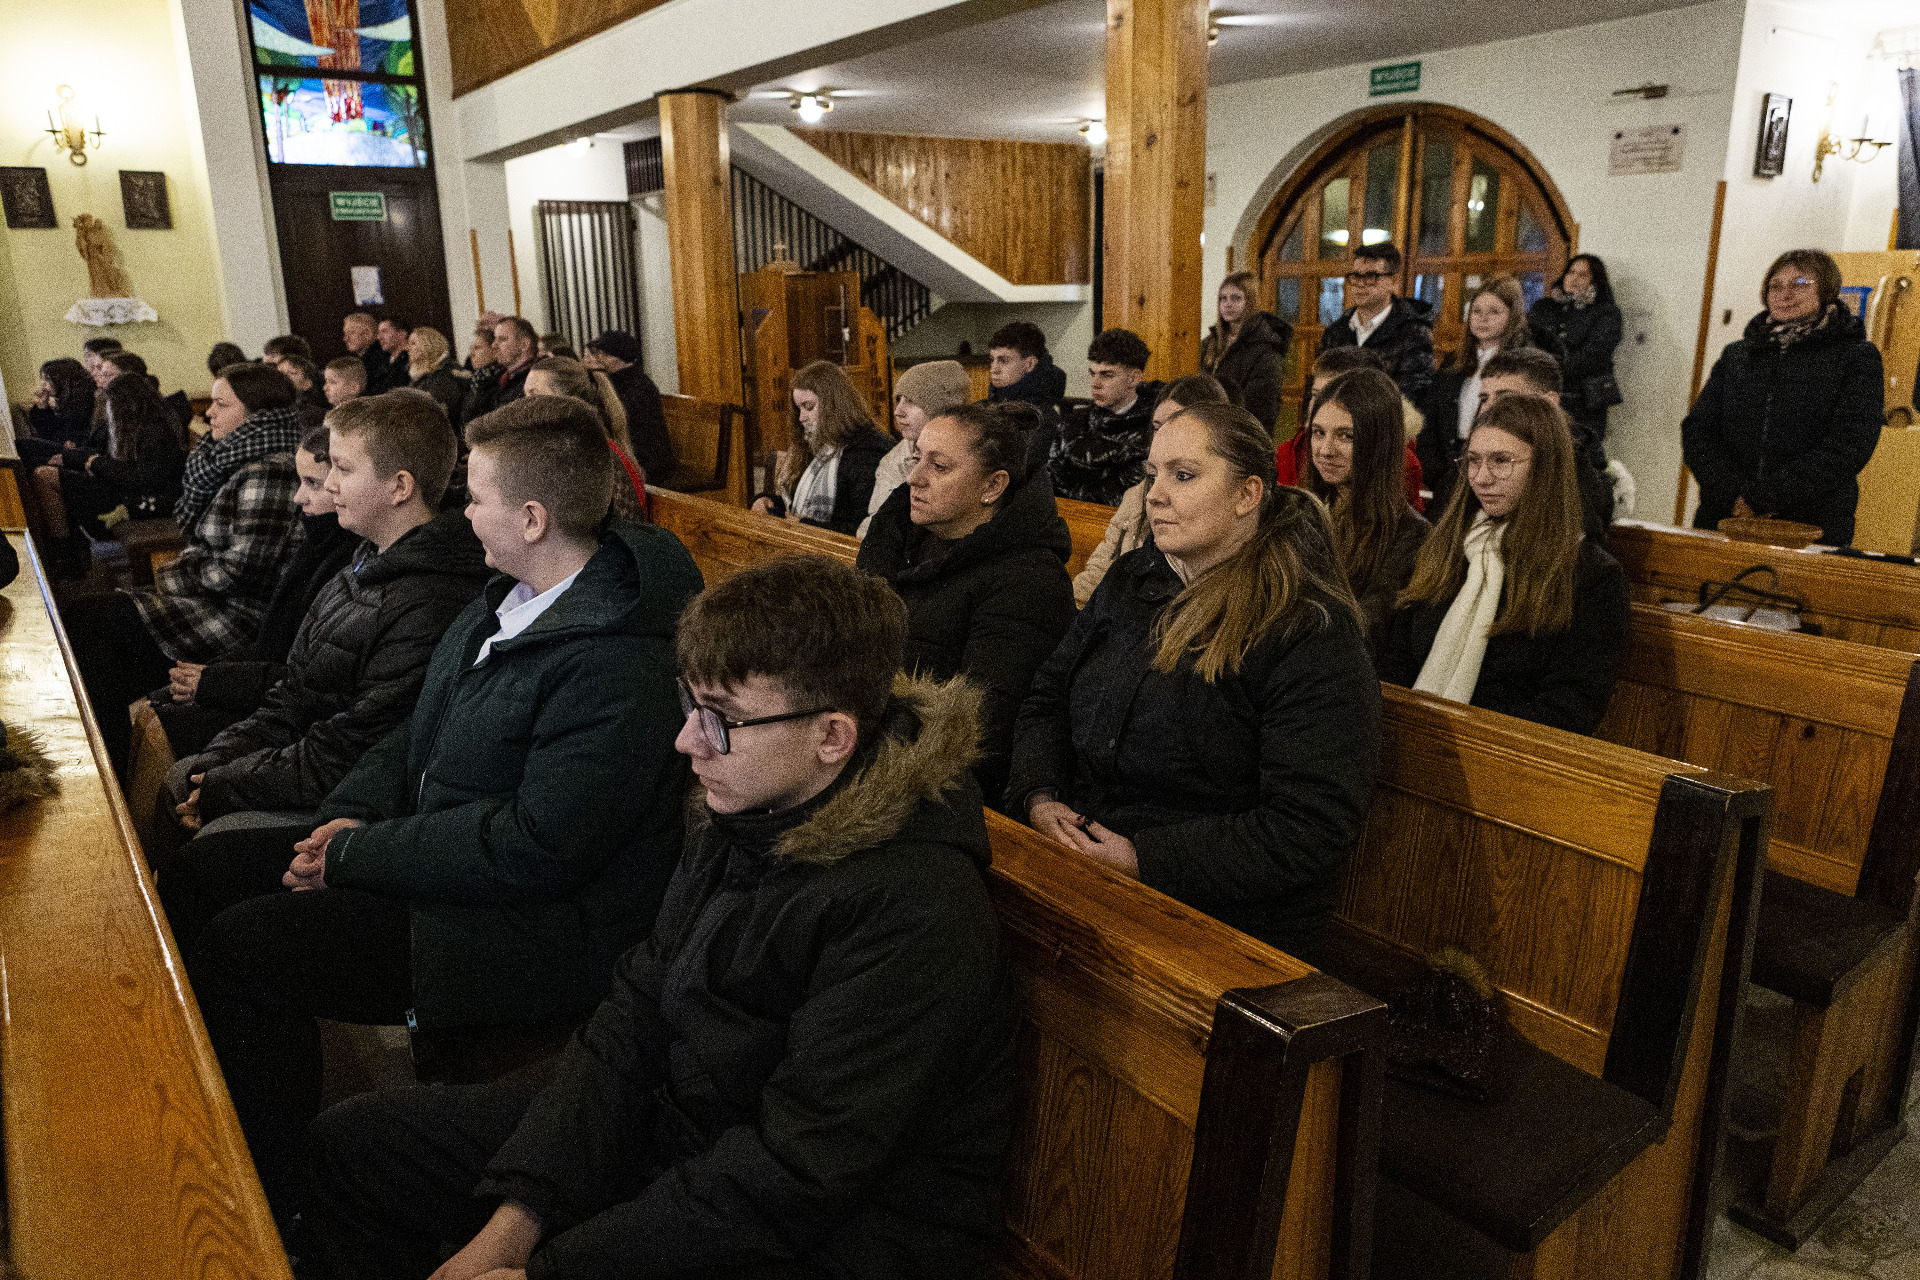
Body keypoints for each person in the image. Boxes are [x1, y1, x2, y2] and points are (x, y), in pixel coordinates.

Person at [306, 553, 1017, 1280]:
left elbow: (798, 1170)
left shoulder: (915, 906)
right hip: (686, 1139)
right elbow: (636, 1015)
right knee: (360, 1148)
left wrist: (554, 1271)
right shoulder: (751, 808)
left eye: (722, 720)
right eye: (690, 705)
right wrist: (519, 1217)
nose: (687, 741)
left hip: (837, 1233)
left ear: (832, 736)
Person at [160, 394, 703, 1223]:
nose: (464, 513)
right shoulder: (505, 600)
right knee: (205, 872)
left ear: (531, 519)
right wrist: (344, 817)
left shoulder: (617, 663)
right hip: (438, 868)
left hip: (525, 931)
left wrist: (356, 856)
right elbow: (415, 733)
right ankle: (209, 1124)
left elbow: (535, 846)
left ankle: (266, 1201)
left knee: (246, 949)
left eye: (476, 498)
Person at [1009, 403, 1380, 962]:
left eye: (1182, 476)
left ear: (1247, 494)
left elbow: (1306, 825)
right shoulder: (1132, 578)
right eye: (1151, 475)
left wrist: (1142, 858)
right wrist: (1039, 795)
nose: (1155, 495)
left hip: (1219, 914)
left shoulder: (1307, 629)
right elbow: (1048, 696)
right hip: (1085, 856)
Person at [160, 393, 485, 834]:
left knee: (207, 829)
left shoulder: (431, 601)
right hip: (305, 762)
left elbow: (352, 748)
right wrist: (221, 760)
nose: (330, 485)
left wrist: (232, 783)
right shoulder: (363, 560)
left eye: (343, 469)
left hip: (346, 795)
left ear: (400, 487)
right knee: (187, 774)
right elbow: (292, 697)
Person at [64, 363, 305, 773]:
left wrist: (172, 575)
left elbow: (238, 570)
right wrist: (185, 568)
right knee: (91, 629)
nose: (208, 413)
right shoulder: (231, 458)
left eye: (221, 404)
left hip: (241, 615)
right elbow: (206, 550)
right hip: (212, 597)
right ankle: (110, 759)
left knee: (92, 626)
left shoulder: (271, 469)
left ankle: (109, 769)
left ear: (256, 413)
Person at [858, 400, 1076, 808]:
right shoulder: (896, 544)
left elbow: (981, 732)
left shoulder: (1028, 582)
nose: (915, 478)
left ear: (992, 487)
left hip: (938, 790)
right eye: (917, 459)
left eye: (939, 467)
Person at [1381, 394, 1629, 735]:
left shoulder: (1592, 577)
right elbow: (1395, 659)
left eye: (1501, 461)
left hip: (1509, 752)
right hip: (1410, 734)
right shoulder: (1446, 547)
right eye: (1473, 461)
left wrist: (1467, 738)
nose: (1482, 478)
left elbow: (1570, 708)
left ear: (1545, 467)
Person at [150, 426, 360, 761]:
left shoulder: (345, 558)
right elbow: (273, 642)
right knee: (150, 705)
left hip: (292, 715)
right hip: (268, 686)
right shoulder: (318, 541)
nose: (298, 497)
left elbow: (312, 682)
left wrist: (215, 681)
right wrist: (213, 673)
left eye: (313, 484)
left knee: (155, 729)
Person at [1682, 248, 1885, 547]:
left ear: (1826, 290)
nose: (1785, 294)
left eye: (1799, 284)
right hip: (1725, 514)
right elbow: (1698, 431)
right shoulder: (1738, 355)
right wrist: (1733, 495)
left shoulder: (1856, 357)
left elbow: (1850, 444)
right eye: (1775, 286)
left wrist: (1763, 497)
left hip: (1811, 521)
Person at [1302, 368, 1429, 656]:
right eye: (1318, 433)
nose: (1325, 450)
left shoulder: (1411, 535)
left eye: (1346, 436)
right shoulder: (1301, 512)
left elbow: (1365, 629)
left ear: (1379, 442)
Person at [1072, 373, 1230, 605]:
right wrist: (1075, 609)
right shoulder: (1139, 494)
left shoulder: (1213, 500)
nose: (1163, 438)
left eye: (1177, 426)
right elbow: (1100, 569)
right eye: (1157, 427)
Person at [30, 368, 188, 577]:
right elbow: (110, 457)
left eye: (110, 404)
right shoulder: (138, 425)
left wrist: (95, 463)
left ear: (125, 405)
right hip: (120, 488)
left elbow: (142, 480)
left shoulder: (155, 432)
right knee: (42, 468)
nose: (108, 409)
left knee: (44, 476)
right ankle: (69, 551)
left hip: (134, 498)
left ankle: (67, 555)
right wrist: (79, 459)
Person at [1416, 275, 1544, 512]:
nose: (1483, 318)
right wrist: (1439, 476)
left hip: (1499, 469)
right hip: (1450, 472)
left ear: (1513, 316)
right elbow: (1430, 422)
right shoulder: (1453, 362)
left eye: (1494, 312)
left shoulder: (1522, 365)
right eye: (1476, 311)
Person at [1479, 347, 1614, 538]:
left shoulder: (1578, 470)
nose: (1488, 408)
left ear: (1549, 401)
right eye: (1484, 398)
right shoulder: (1474, 456)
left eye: (1506, 398)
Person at [1277, 346, 1426, 512]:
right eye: (1316, 395)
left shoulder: (1403, 463)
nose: (1321, 406)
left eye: (1337, 397)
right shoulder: (1288, 452)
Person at [752, 361, 891, 535]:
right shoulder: (816, 444)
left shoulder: (868, 450)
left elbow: (867, 528)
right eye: (799, 408)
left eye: (808, 407)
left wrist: (806, 526)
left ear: (833, 404)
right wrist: (768, 502)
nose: (801, 417)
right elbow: (797, 507)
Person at [525, 356, 649, 523]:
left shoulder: (588, 450)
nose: (525, 405)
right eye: (525, 395)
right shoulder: (568, 443)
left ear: (568, 400)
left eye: (535, 395)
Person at [1050, 328, 1163, 506]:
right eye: (1093, 373)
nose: (1095, 384)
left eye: (1107, 375)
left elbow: (1123, 498)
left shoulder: (1154, 430)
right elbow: (1050, 481)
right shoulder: (1072, 422)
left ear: (1133, 378)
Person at [858, 358, 969, 538]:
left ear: (939, 409)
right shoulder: (894, 459)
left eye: (911, 401)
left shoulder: (969, 456)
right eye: (898, 400)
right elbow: (876, 522)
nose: (898, 411)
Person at [1529, 254, 1623, 466]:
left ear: (1594, 281)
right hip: (1541, 395)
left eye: (1582, 275)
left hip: (1583, 403)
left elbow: (1594, 355)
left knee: (1579, 461)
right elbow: (1529, 343)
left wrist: (1550, 367)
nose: (1574, 278)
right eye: (1571, 272)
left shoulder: (1606, 313)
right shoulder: (1544, 308)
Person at [1316, 240, 1435, 406]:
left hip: (1386, 420)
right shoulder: (1336, 332)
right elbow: (1318, 387)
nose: (1360, 284)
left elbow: (1413, 396)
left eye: (1371, 276)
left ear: (1393, 281)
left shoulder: (1413, 332)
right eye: (1356, 276)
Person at [1200, 270, 1292, 429]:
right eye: (1223, 298)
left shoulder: (1265, 348)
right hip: (1208, 424)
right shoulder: (1210, 342)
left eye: (1236, 298)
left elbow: (1261, 406)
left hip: (1241, 429)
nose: (1228, 304)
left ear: (1250, 301)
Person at [583, 330, 671, 482]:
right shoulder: (618, 380)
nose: (598, 359)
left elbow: (620, 421)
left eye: (603, 355)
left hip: (648, 460)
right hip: (632, 451)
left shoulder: (638, 386)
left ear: (618, 358)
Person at [462, 316, 538, 423]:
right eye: (495, 339)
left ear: (524, 345)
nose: (494, 345)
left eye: (502, 339)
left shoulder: (536, 381)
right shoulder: (497, 379)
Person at [405, 325, 465, 422]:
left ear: (429, 345)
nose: (408, 348)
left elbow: (437, 415)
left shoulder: (444, 375)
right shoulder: (420, 375)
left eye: (413, 343)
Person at [342, 314, 389, 394]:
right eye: (345, 334)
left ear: (367, 334)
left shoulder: (378, 360)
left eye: (352, 333)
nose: (346, 339)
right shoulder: (367, 359)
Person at [371, 317, 412, 393]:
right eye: (378, 333)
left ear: (402, 334)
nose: (379, 337)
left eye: (385, 331)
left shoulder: (411, 360)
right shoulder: (382, 361)